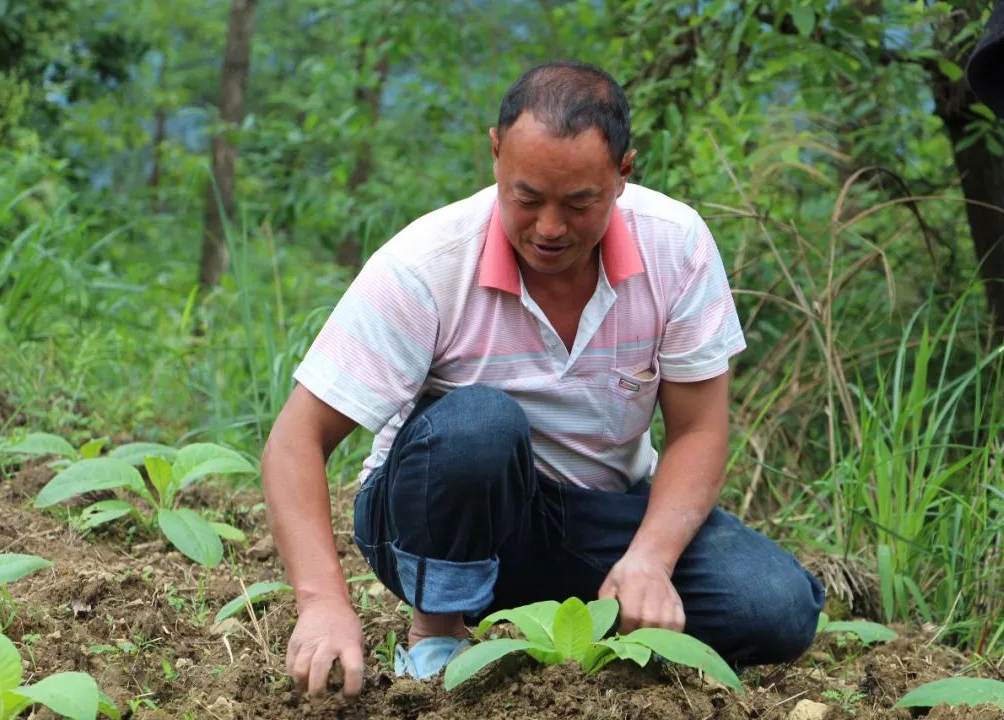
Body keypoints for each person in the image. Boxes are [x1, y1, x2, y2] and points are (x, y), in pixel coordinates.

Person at [262, 60, 825, 699]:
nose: (550, 228)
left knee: (777, 606)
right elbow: (296, 439)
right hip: (438, 513)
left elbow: (698, 428)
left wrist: (651, 558)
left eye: (579, 203)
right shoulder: (427, 265)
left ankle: (587, 620)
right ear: (496, 154)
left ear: (623, 173)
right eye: (526, 198)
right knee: (480, 424)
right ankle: (437, 633)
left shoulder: (676, 245)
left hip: (600, 511)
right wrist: (321, 601)